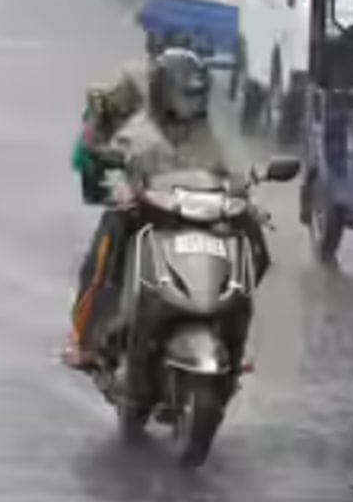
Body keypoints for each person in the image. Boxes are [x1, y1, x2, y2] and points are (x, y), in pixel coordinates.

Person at [64, 48, 271, 368]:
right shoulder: (130, 93)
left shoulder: (198, 122)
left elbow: (220, 159)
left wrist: (243, 193)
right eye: (184, 95)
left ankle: (233, 334)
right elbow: (96, 131)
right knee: (111, 238)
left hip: (183, 194)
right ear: (162, 89)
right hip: (136, 182)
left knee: (251, 234)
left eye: (197, 96)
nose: (191, 103)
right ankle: (85, 337)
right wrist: (98, 161)